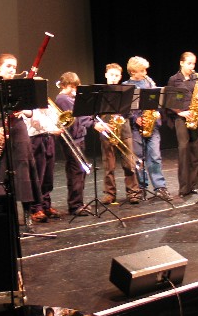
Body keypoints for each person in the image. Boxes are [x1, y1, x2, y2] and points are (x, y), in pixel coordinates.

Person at [0, 54, 46, 224]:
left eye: (14, 67)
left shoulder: (20, 88)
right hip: (0, 134)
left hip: (19, 133)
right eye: (8, 66)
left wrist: (24, 110)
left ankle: (26, 216)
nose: (12, 70)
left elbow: (31, 111)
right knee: (2, 173)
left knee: (23, 172)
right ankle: (5, 216)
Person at [123, 56, 171, 201]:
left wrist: (157, 111)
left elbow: (157, 102)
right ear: (132, 72)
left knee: (155, 156)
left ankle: (160, 187)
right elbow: (125, 108)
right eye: (142, 71)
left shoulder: (149, 83)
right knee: (139, 159)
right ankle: (141, 187)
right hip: (136, 128)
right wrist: (135, 118)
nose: (145, 73)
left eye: (145, 70)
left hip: (152, 126)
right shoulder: (126, 86)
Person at [94, 63, 140, 204]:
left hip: (124, 130)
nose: (114, 78)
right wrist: (97, 124)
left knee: (129, 163)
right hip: (107, 130)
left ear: (120, 77)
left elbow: (131, 111)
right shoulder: (99, 93)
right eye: (111, 75)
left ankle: (133, 192)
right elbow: (93, 114)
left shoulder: (126, 91)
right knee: (109, 165)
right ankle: (109, 193)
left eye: (116, 75)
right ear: (106, 75)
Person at [53, 72, 93, 216]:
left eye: (75, 87)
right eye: (71, 87)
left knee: (80, 172)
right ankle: (75, 205)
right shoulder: (63, 98)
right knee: (75, 171)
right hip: (71, 139)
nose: (74, 90)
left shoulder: (70, 97)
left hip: (79, 137)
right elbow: (79, 112)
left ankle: (78, 203)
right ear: (63, 86)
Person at [166, 52, 198, 197]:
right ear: (181, 63)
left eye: (193, 63)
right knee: (183, 149)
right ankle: (184, 187)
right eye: (189, 63)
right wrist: (180, 112)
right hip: (181, 117)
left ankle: (193, 185)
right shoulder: (174, 79)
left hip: (194, 116)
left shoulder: (196, 78)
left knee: (195, 150)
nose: (192, 66)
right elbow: (169, 100)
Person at [24, 90, 62, 220]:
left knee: (48, 176)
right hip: (36, 139)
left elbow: (57, 119)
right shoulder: (28, 106)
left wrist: (54, 128)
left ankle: (46, 205)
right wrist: (51, 129)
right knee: (37, 175)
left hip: (49, 139)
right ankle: (36, 208)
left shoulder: (48, 105)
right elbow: (37, 123)